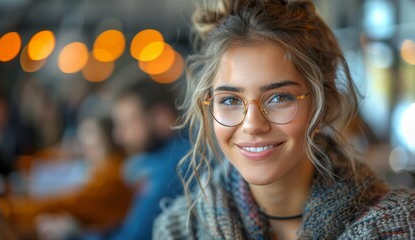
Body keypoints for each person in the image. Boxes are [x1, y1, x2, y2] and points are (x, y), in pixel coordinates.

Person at [153, 0, 415, 239]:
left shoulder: (399, 227)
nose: (252, 124)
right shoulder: (179, 230)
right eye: (230, 100)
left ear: (323, 104)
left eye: (279, 98)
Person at [0, 115, 134, 239]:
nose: (87, 152)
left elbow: (70, 201)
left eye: (92, 147)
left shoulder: (111, 175)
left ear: (110, 141)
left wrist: (7, 210)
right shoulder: (104, 169)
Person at [110, 79, 191, 240]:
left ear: (161, 117)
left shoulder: (173, 167)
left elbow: (134, 236)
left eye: (127, 123)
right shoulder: (182, 149)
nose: (118, 136)